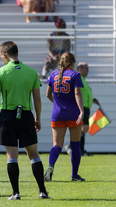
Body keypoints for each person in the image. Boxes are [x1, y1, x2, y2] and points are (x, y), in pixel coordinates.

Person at [0, 41, 50, 200]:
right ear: (16, 53)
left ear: (4, 54)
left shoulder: (0, 72)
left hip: (8, 117)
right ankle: (43, 191)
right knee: (34, 155)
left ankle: (16, 193)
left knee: (12, 156)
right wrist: (37, 118)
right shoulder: (31, 72)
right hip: (26, 116)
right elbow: (37, 99)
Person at [44, 52, 85, 182]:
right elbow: (77, 94)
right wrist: (81, 111)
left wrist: (57, 104)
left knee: (57, 145)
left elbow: (47, 94)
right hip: (73, 114)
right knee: (75, 145)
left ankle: (50, 167)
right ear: (72, 63)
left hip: (57, 114)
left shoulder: (53, 74)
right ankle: (74, 175)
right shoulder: (75, 75)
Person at [65, 62, 99, 156]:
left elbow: (84, 94)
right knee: (83, 128)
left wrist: (92, 100)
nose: (88, 70)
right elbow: (75, 93)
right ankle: (73, 147)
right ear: (80, 69)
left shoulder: (83, 80)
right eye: (86, 68)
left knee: (83, 129)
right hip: (81, 108)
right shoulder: (77, 78)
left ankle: (80, 150)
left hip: (86, 108)